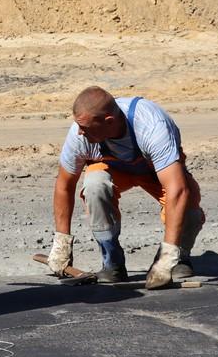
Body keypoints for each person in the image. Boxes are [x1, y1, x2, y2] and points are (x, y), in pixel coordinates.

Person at [47, 86, 207, 289]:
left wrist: (167, 257)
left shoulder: (151, 126)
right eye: (78, 126)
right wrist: (61, 244)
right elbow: (64, 185)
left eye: (85, 128)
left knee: (189, 203)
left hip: (153, 170)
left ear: (109, 122)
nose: (80, 132)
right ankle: (112, 260)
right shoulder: (81, 133)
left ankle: (176, 257)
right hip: (114, 169)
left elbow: (177, 190)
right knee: (95, 185)